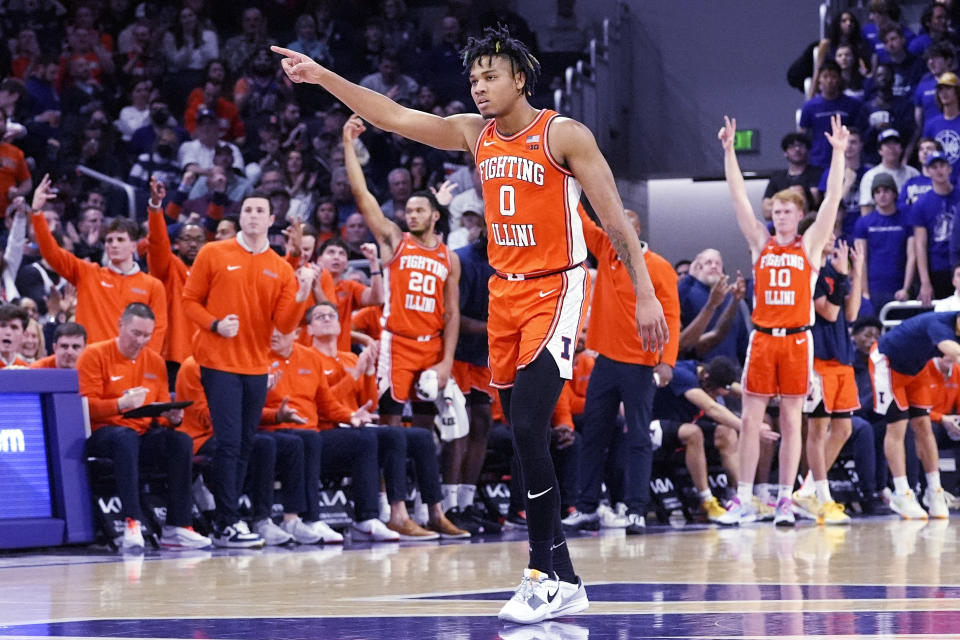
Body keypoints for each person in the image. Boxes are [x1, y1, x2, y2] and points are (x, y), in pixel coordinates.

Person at [273, 23, 668, 625]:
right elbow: (393, 116)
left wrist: (644, 292)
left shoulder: (564, 134)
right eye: (474, 78)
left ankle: (541, 572)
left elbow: (615, 220)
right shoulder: (472, 133)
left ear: (520, 78)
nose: (480, 88)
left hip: (556, 288)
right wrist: (324, 76)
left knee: (533, 429)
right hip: (505, 297)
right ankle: (564, 577)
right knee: (521, 431)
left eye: (491, 77)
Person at [719, 113, 849, 526]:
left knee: (793, 421)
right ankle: (743, 499)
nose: (780, 217)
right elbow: (738, 198)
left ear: (798, 215)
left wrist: (840, 153)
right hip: (762, 339)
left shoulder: (809, 247)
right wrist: (729, 152)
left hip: (796, 339)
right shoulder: (761, 243)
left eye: (787, 211)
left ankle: (785, 501)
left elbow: (831, 200)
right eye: (775, 210)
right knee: (752, 419)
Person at [182, 194, 318, 548]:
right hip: (218, 361)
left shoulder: (279, 266)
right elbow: (188, 301)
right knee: (228, 443)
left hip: (256, 364)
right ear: (240, 217)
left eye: (260, 211)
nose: (253, 216)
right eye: (248, 210)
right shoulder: (214, 252)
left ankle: (231, 519)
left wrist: (303, 293)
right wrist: (214, 325)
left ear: (271, 219)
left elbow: (284, 323)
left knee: (244, 444)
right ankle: (226, 523)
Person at [562, 209, 681, 534]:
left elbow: (671, 316)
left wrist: (667, 361)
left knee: (639, 437)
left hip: (641, 364)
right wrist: (570, 174)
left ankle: (636, 510)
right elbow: (582, 222)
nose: (614, 231)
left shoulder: (658, 267)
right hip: (604, 361)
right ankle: (586, 507)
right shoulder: (605, 249)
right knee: (594, 435)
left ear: (637, 230)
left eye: (622, 226)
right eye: (612, 226)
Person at [341, 115, 461, 430]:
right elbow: (362, 196)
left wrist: (447, 360)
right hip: (397, 344)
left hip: (432, 346)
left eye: (419, 210)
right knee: (391, 426)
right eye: (408, 210)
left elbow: (451, 314)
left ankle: (429, 481)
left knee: (427, 431)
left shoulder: (449, 257)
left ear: (435, 215)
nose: (412, 215)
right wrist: (348, 146)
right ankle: (390, 482)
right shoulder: (395, 240)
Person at [79, 303, 212, 552]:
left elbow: (158, 413)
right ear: (121, 326)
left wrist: (171, 418)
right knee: (125, 438)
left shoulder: (155, 361)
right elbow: (85, 406)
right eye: (135, 333)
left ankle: (178, 526)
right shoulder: (94, 354)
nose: (141, 341)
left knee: (180, 440)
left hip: (141, 434)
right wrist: (120, 404)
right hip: (103, 433)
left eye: (146, 335)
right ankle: (132, 522)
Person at [258, 326, 376, 544]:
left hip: (310, 430)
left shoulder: (310, 358)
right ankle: (305, 519)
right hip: (273, 429)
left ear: (296, 332)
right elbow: (248, 408)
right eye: (270, 328)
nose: (274, 334)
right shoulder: (257, 357)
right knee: (301, 441)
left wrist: (350, 416)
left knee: (365, 438)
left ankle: (367, 519)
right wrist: (276, 415)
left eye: (281, 329)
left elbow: (326, 403)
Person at [30, 175, 168, 353]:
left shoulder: (152, 286)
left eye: (120, 239)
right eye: (110, 240)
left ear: (134, 245)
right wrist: (36, 213)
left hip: (132, 366)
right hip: (91, 363)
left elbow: (158, 330)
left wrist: (145, 363)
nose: (114, 244)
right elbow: (52, 253)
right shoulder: (88, 273)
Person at [797, 228, 864, 526]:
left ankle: (807, 490)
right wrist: (840, 275)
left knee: (843, 429)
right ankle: (822, 498)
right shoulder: (808, 270)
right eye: (827, 233)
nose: (833, 239)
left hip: (841, 357)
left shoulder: (832, 271)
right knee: (817, 429)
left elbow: (850, 314)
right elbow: (828, 312)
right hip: (818, 359)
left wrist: (856, 272)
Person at [870, 310, 956, 519]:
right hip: (888, 363)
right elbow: (950, 351)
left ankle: (934, 492)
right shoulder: (940, 322)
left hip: (916, 368)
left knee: (924, 426)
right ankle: (902, 493)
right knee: (897, 426)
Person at [146, 177, 205, 386]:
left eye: (199, 240)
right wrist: (155, 208)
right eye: (188, 239)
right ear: (177, 244)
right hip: (175, 358)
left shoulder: (214, 272)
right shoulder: (170, 268)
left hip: (207, 359)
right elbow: (158, 243)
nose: (193, 244)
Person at [854, 172, 915, 312]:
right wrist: (864, 292)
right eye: (877, 191)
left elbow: (912, 256)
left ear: (894, 193)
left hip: (899, 287)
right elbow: (861, 259)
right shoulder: (863, 223)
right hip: (873, 288)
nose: (882, 195)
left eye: (886, 190)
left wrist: (906, 288)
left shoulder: (906, 220)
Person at [914, 150, 960, 303]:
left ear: (949, 168)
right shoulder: (921, 203)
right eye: (934, 167)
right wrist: (925, 282)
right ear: (927, 171)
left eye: (942, 165)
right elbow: (920, 244)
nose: (939, 170)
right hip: (937, 268)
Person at [762, 133, 822, 218]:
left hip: (810, 222)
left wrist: (778, 199)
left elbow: (814, 201)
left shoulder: (818, 173)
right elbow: (766, 211)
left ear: (808, 150)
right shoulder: (777, 177)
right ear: (785, 153)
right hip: (780, 222)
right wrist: (791, 195)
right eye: (792, 146)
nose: (797, 149)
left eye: (801, 146)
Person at [0, 303, 28, 368]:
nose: (8, 332)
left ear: (23, 335)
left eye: (14, 327)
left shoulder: (26, 370)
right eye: (3, 326)